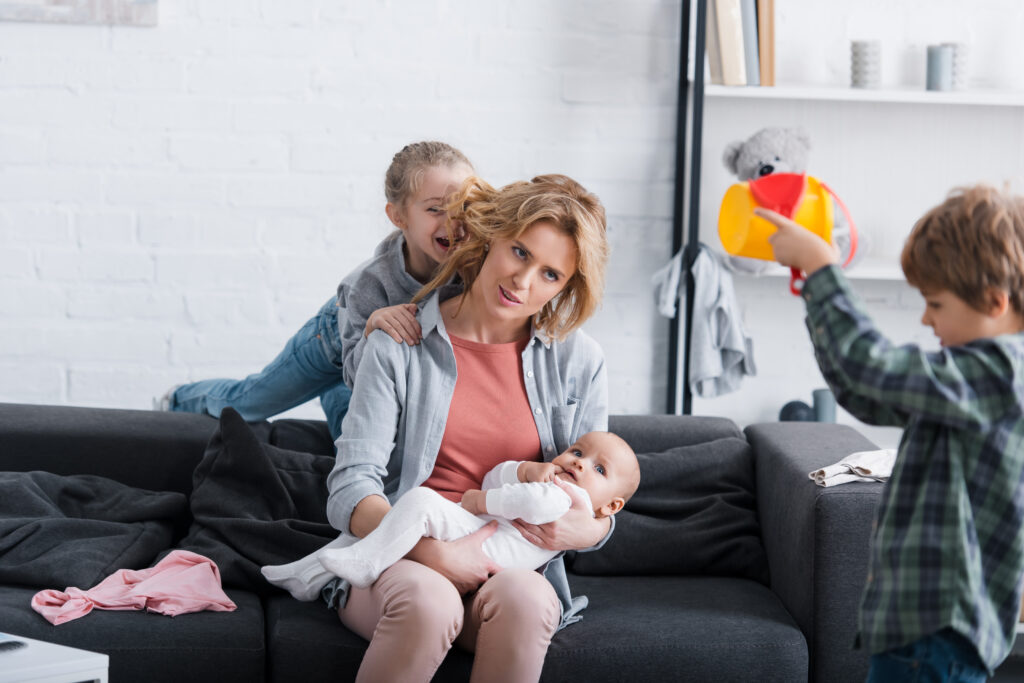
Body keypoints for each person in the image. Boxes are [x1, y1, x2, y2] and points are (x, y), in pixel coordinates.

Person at [311, 173, 610, 682]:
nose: (523, 282)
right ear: (491, 237)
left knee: (528, 599)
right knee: (429, 603)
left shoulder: (580, 362)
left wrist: (595, 527)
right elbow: (350, 487)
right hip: (399, 559)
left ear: (567, 286)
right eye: (519, 252)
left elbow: (598, 488)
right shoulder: (399, 343)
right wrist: (433, 554)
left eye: (550, 275)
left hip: (507, 566)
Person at [756, 184, 1024, 682]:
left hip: (938, 632)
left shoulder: (999, 374)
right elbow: (865, 393)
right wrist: (817, 298)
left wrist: (822, 270)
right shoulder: (971, 382)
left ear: (993, 300)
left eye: (936, 303)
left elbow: (869, 367)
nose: (925, 317)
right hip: (920, 631)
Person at [159, 141, 474, 439]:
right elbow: (361, 379)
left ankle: (331, 393)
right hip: (333, 343)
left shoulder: (477, 267)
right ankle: (178, 398)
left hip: (387, 366)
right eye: (435, 209)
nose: (453, 222)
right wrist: (371, 330)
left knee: (351, 432)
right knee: (250, 402)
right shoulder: (367, 284)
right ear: (399, 216)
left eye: (463, 206)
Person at [262, 431, 638, 598]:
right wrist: (521, 470)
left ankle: (361, 566)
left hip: (492, 551)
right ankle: (307, 575)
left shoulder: (569, 500)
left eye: (599, 470)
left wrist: (479, 502)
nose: (579, 464)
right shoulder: (549, 478)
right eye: (576, 451)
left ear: (611, 507)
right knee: (405, 513)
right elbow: (495, 480)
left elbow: (532, 504)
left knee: (417, 506)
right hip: (482, 532)